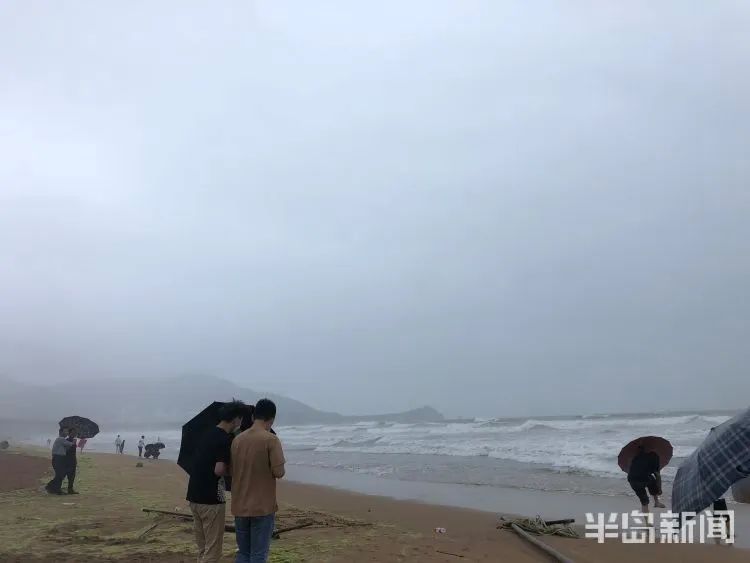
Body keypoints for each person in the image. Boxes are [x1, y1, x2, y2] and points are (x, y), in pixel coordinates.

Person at [186, 400, 245, 563]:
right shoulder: (224, 440)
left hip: (194, 495)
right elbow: (219, 470)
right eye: (241, 419)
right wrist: (232, 469)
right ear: (236, 419)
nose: (241, 422)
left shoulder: (207, 434)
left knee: (203, 548)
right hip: (211, 500)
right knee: (213, 551)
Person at [231, 399, 286, 563]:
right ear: (272, 418)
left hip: (240, 505)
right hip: (262, 506)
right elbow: (279, 472)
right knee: (259, 554)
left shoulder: (237, 440)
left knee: (243, 553)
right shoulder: (271, 440)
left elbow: (232, 470)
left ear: (254, 416)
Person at [627, 445, 665, 512]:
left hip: (632, 480)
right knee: (652, 481)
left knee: (644, 502)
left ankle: (648, 522)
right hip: (642, 479)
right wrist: (659, 489)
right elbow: (657, 475)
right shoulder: (654, 456)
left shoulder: (636, 456)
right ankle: (656, 502)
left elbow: (632, 469)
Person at [45, 428, 75, 494]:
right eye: (66, 431)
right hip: (58, 458)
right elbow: (70, 444)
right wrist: (73, 442)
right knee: (60, 474)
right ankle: (52, 487)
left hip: (59, 458)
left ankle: (52, 488)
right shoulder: (61, 439)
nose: (67, 433)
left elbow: (66, 449)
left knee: (60, 474)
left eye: (67, 431)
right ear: (61, 432)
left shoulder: (61, 440)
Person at [64, 428, 79, 494]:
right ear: (69, 433)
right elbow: (66, 450)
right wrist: (72, 443)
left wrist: (75, 460)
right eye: (72, 433)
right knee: (63, 475)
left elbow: (74, 452)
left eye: (75, 433)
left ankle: (70, 489)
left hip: (73, 460)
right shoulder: (67, 440)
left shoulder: (74, 441)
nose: (74, 434)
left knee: (72, 476)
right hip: (67, 460)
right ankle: (56, 488)